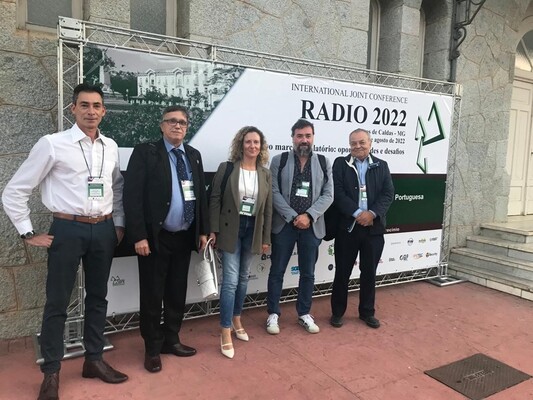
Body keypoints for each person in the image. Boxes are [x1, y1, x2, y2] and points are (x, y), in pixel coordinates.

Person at [2, 83, 128, 400]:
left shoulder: (110, 146)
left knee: (98, 297)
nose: (91, 111)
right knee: (57, 302)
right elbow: (15, 190)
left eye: (96, 106)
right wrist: (28, 231)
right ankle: (52, 373)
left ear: (104, 111)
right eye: (84, 105)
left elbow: (118, 187)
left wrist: (119, 223)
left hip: (103, 229)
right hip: (67, 229)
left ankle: (94, 361)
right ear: (72, 109)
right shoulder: (52, 144)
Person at [123, 105, 209, 373]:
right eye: (171, 121)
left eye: (182, 122)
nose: (177, 126)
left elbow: (201, 197)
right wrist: (139, 235)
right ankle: (152, 348)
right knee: (152, 294)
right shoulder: (146, 152)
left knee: (176, 293)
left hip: (184, 238)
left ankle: (172, 339)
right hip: (154, 239)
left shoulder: (193, 155)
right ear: (161, 125)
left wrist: (203, 231)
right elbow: (132, 196)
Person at [209, 126, 272, 359]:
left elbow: (268, 209)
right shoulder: (226, 169)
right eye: (248, 142)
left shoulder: (265, 173)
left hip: (252, 229)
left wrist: (266, 238)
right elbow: (214, 199)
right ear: (241, 144)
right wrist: (213, 229)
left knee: (244, 278)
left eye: (256, 142)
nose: (252, 146)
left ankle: (237, 318)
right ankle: (225, 330)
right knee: (231, 281)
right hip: (230, 229)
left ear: (261, 146)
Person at [266, 119, 333, 335]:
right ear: (292, 137)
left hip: (311, 226)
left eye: (308, 136)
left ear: (313, 137)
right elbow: (273, 192)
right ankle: (273, 314)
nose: (304, 140)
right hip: (284, 225)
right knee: (277, 271)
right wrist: (294, 216)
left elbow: (328, 194)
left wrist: (309, 216)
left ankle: (304, 313)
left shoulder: (324, 162)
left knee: (308, 273)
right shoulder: (279, 160)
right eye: (299, 136)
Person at [329, 128, 394, 329]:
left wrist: (372, 214)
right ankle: (337, 313)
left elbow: (388, 194)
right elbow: (337, 193)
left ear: (370, 142)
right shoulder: (341, 164)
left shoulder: (381, 166)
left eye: (361, 142)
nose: (357, 146)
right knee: (342, 273)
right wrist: (358, 213)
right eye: (353, 143)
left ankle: (367, 312)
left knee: (369, 273)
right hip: (348, 228)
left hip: (373, 229)